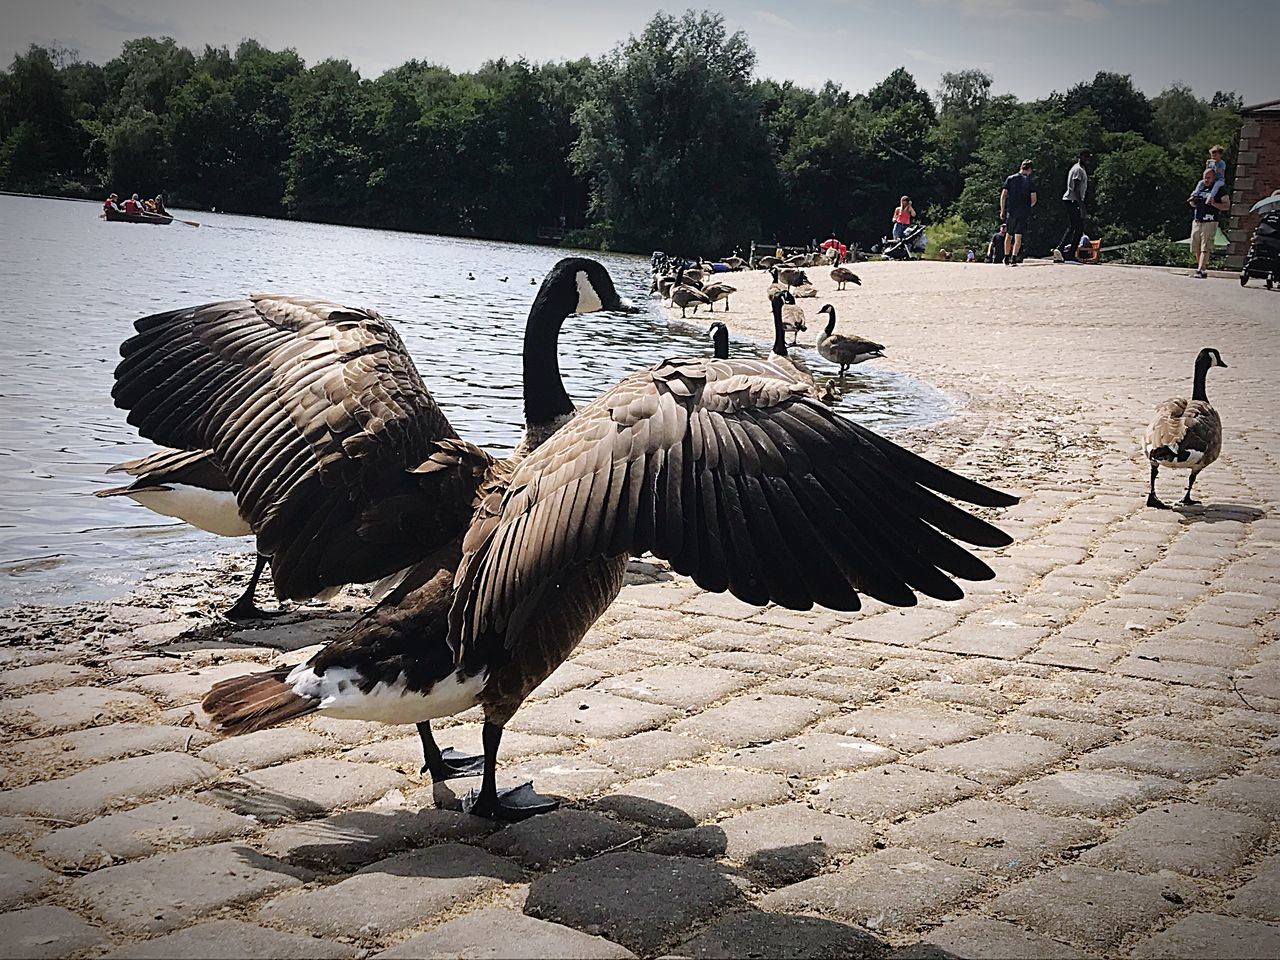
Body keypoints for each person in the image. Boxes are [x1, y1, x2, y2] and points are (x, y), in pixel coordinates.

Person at [1188, 166, 1230, 279]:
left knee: (1205, 247)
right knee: (1195, 246)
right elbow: (1193, 203)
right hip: (1197, 220)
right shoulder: (1200, 187)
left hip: (1210, 221)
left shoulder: (1219, 190)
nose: (1206, 180)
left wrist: (1214, 204)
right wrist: (1192, 201)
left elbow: (1226, 205)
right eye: (1205, 177)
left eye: (1209, 178)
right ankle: (1201, 269)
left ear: (1214, 178)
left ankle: (1200, 269)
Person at [1055, 150, 1091, 263]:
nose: (1087, 159)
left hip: (1073, 200)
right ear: (1080, 157)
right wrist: (1082, 206)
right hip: (1072, 200)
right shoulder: (1078, 170)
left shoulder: (1081, 169)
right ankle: (1066, 251)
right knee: (1078, 227)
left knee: (1074, 226)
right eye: (1085, 157)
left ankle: (1062, 250)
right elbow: (1075, 189)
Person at [999, 160, 1037, 265]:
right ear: (1029, 169)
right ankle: (1014, 257)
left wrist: (1002, 209)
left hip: (1011, 211)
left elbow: (1003, 195)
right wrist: (1027, 207)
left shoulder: (1010, 179)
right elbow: (1033, 199)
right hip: (1023, 211)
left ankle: (1006, 256)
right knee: (1018, 236)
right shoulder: (1030, 181)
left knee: (1009, 234)